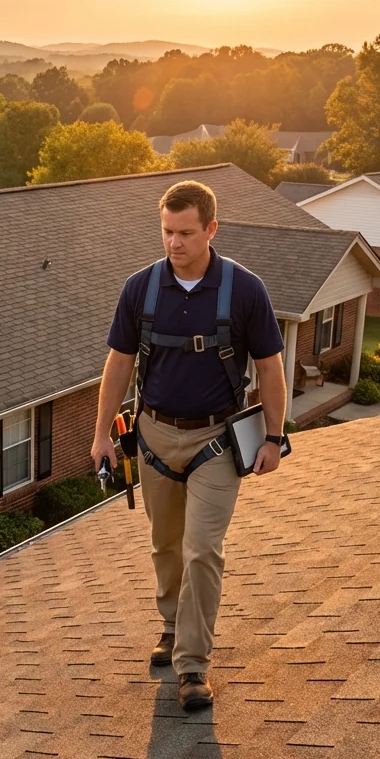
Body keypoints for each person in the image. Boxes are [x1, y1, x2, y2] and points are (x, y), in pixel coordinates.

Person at [91, 180, 288, 711]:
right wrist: (101, 434)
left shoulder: (245, 290)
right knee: (165, 543)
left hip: (216, 441)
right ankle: (173, 624)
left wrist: (274, 436)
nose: (174, 243)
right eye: (166, 232)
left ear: (211, 230)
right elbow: (119, 363)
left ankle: (193, 665)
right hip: (153, 435)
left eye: (185, 233)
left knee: (203, 549)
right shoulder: (141, 288)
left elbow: (270, 368)